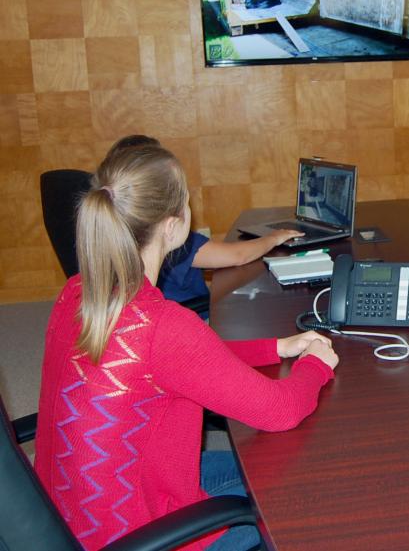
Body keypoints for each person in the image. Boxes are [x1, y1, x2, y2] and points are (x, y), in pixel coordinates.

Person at [34, 143, 340, 551]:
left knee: (259, 462)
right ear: (175, 225)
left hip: (69, 518)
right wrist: (316, 365)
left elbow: (186, 361)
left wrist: (275, 347)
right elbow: (280, 411)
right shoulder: (161, 326)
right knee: (299, 486)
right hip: (139, 536)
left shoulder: (76, 294)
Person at [103, 135, 302, 311]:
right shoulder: (172, 242)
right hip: (194, 319)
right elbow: (238, 256)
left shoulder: (113, 236)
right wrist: (274, 237)